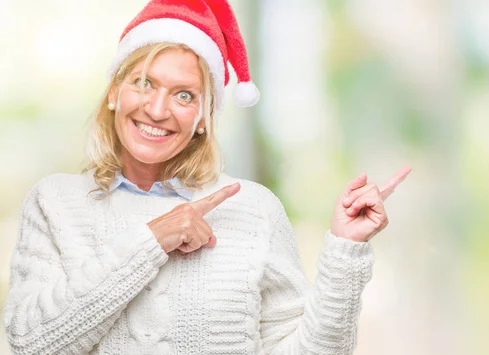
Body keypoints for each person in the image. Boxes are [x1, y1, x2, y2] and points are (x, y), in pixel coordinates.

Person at [2, 0, 411, 354]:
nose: (158, 109)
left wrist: (345, 250)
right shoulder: (54, 201)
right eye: (143, 83)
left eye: (184, 95)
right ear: (114, 92)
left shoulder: (253, 209)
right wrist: (152, 240)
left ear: (203, 118)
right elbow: (29, 344)